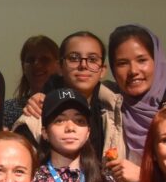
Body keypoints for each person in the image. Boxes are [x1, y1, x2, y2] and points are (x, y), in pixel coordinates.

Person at [104, 24, 166, 182]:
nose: (133, 71)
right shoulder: (109, 113)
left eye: (142, 60)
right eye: (122, 63)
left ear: (156, 61)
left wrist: (142, 175)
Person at [16, 30, 126, 159]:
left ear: (102, 70)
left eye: (92, 59)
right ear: (60, 67)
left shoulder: (119, 111)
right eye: (74, 58)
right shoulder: (36, 115)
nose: (83, 65)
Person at [2, 34, 60, 129]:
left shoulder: (70, 104)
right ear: (23, 67)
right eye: (31, 60)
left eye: (44, 59)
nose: (37, 65)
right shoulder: (8, 110)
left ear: (58, 65)